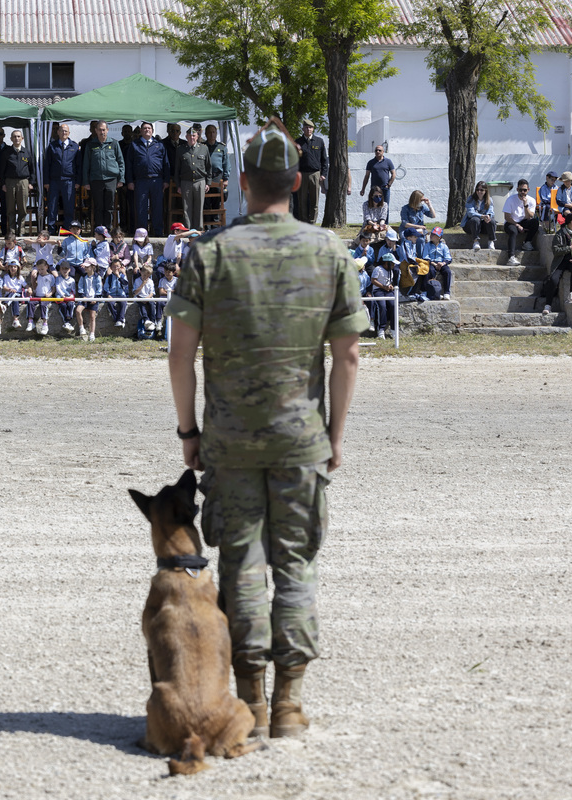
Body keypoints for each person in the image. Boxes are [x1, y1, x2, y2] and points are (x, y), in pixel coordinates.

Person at [165, 121, 366, 741]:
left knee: (242, 565)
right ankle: (291, 705)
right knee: (296, 564)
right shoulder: (331, 252)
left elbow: (180, 354)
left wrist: (188, 431)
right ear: (298, 184)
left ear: (243, 183)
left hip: (229, 439)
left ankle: (249, 699)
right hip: (300, 438)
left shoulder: (210, 252)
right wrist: (334, 436)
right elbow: (348, 356)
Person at [127, 122, 170, 236]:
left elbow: (166, 163)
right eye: (144, 128)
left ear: (152, 130)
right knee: (141, 208)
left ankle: (158, 233)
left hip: (157, 180)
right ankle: (142, 234)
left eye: (149, 128)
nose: (147, 130)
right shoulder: (134, 145)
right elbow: (129, 164)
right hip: (141, 181)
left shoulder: (159, 145)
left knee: (157, 207)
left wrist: (166, 180)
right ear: (140, 131)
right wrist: (130, 181)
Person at [81, 122, 125, 231]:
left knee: (109, 206)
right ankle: (99, 229)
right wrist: (86, 182)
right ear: (96, 130)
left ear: (108, 130)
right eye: (100, 130)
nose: (102, 132)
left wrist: (121, 179)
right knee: (98, 206)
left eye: (104, 130)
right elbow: (86, 164)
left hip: (111, 179)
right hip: (96, 179)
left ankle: (108, 228)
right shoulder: (90, 145)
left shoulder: (114, 143)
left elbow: (121, 162)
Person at [542, 212, 572, 314]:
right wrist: (569, 248)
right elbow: (555, 250)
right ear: (571, 222)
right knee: (553, 279)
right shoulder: (560, 234)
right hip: (560, 261)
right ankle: (548, 305)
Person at [0, 129, 33, 236]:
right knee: (10, 208)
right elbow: (2, 170)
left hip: (23, 182)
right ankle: (11, 230)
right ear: (11, 139)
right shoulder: (6, 153)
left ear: (22, 138)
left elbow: (32, 169)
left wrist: (31, 183)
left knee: (22, 208)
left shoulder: (27, 152)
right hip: (10, 182)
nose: (16, 138)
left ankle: (21, 230)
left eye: (18, 136)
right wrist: (3, 183)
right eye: (14, 136)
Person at [44, 123, 80, 231]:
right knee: (52, 206)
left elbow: (78, 165)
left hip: (69, 180)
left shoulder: (74, 146)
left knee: (69, 206)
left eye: (66, 131)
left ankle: (67, 229)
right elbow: (47, 165)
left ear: (69, 133)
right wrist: (46, 182)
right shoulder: (52, 146)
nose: (64, 133)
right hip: (54, 180)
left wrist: (78, 181)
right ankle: (51, 229)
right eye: (61, 130)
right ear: (58, 132)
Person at [293, 118, 327, 224]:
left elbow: (324, 159)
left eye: (311, 127)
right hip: (302, 174)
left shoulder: (319, 141)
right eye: (306, 127)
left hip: (315, 174)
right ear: (303, 129)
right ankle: (303, 222)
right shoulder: (298, 142)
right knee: (301, 200)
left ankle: (312, 222)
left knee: (314, 200)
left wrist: (323, 174)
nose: (308, 129)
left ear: (313, 129)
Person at [176, 126, 210, 231]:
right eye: (190, 135)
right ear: (186, 136)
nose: (192, 137)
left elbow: (209, 166)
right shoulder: (181, 149)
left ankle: (198, 229)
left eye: (194, 135)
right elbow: (177, 169)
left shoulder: (204, 148)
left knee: (199, 207)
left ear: (197, 136)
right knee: (187, 208)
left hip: (200, 181)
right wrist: (178, 185)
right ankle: (188, 228)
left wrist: (208, 182)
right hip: (185, 182)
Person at [503, 180, 538, 266]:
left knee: (535, 222)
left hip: (523, 221)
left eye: (525, 190)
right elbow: (507, 217)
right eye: (520, 190)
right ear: (517, 189)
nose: (522, 192)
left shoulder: (531, 200)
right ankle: (511, 257)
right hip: (511, 222)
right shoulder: (510, 199)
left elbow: (530, 216)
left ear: (528, 190)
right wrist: (517, 225)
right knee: (513, 231)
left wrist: (526, 205)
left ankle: (527, 242)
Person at [359, 145, 395, 215]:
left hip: (384, 188)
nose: (377, 152)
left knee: (385, 206)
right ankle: (374, 223)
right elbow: (367, 176)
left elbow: (393, 174)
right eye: (376, 150)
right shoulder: (371, 162)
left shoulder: (388, 161)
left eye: (379, 150)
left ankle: (384, 224)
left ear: (383, 152)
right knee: (373, 206)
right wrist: (363, 189)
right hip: (374, 189)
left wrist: (389, 184)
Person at [461, 181, 496, 251]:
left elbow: (491, 211)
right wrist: (482, 216)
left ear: (485, 191)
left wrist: (488, 216)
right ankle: (475, 241)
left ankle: (491, 241)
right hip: (471, 225)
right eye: (477, 189)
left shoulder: (489, 200)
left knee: (491, 221)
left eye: (482, 190)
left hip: (483, 225)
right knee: (475, 219)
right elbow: (470, 213)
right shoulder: (471, 199)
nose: (479, 192)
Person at [204, 124, 230, 216]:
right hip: (205, 177)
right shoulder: (202, 147)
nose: (212, 134)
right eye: (209, 132)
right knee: (205, 203)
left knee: (217, 202)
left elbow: (226, 164)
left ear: (216, 133)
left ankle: (215, 228)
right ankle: (207, 228)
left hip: (217, 177)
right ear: (206, 134)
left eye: (213, 132)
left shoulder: (221, 147)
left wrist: (226, 178)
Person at [420, 227, 453, 300]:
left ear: (439, 237)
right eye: (431, 234)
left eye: (434, 234)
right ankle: (426, 290)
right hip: (431, 262)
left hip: (441, 262)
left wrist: (443, 263)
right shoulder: (427, 245)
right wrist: (433, 264)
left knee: (447, 271)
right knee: (430, 271)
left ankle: (446, 292)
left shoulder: (444, 246)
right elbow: (425, 257)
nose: (431, 235)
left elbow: (448, 258)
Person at [75, 258, 101, 341]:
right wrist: (83, 296)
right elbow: (80, 287)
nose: (85, 268)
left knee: (92, 316)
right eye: (85, 266)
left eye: (87, 266)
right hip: (84, 298)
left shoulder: (97, 277)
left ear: (93, 267)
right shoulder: (83, 277)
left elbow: (99, 290)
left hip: (93, 299)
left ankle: (92, 334)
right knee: (78, 310)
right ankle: (81, 328)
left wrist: (96, 299)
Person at [29, 259, 56, 335]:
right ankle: (30, 321)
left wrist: (50, 294)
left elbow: (53, 288)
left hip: (46, 297)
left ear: (46, 267)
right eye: (39, 269)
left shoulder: (51, 276)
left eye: (42, 269)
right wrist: (33, 281)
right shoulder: (37, 276)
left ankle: (45, 324)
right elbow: (34, 286)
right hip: (38, 295)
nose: (40, 271)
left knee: (43, 305)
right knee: (31, 302)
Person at [102, 257, 129, 329]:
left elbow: (125, 284)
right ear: (111, 268)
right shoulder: (109, 277)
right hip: (112, 295)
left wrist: (118, 276)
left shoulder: (123, 276)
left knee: (123, 303)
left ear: (120, 267)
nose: (116, 268)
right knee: (110, 303)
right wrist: (108, 295)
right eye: (114, 267)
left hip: (121, 295)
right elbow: (105, 288)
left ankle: (120, 319)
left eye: (117, 266)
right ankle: (117, 319)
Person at [1, 260, 27, 329]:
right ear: (9, 268)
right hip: (9, 295)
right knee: (14, 300)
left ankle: (5, 306)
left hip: (18, 294)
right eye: (11, 267)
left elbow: (25, 285)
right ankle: (15, 320)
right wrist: (10, 289)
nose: (13, 268)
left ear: (17, 268)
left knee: (15, 295)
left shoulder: (20, 277)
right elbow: (4, 287)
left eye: (15, 267)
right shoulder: (6, 276)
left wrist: (29, 289)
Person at [134, 262, 157, 334]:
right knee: (141, 305)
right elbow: (135, 292)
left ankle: (152, 321)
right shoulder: (137, 280)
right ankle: (146, 319)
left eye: (148, 276)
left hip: (148, 298)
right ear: (140, 272)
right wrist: (142, 284)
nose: (146, 277)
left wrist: (147, 298)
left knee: (152, 304)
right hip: (139, 297)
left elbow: (152, 293)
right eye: (144, 275)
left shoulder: (151, 281)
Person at [54, 260, 77, 333]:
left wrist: (70, 296)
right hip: (61, 297)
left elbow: (74, 290)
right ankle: (66, 321)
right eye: (63, 268)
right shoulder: (58, 279)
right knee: (63, 306)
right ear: (60, 269)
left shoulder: (72, 280)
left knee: (70, 304)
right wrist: (63, 295)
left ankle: (68, 320)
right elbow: (58, 288)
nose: (64, 270)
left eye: (66, 269)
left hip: (69, 297)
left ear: (69, 270)